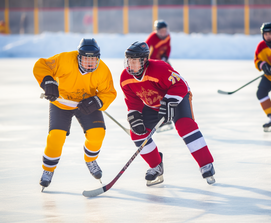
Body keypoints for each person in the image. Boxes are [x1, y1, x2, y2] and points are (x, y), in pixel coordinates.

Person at [120, 41, 215, 186]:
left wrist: (170, 101)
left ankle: (206, 164)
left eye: (135, 61)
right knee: (137, 132)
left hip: (178, 98)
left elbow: (181, 84)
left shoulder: (159, 68)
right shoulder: (125, 78)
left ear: (144, 60)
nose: (131, 65)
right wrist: (134, 114)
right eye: (129, 61)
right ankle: (156, 166)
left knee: (185, 125)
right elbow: (133, 101)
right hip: (152, 105)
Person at [33, 38, 117, 191]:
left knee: (98, 134)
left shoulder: (103, 70)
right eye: (86, 59)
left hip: (87, 105)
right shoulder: (65, 59)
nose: (90, 63)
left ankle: (90, 160)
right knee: (56, 138)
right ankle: (48, 169)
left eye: (93, 59)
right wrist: (48, 82)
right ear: (78, 57)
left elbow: (109, 92)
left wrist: (97, 101)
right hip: (61, 103)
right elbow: (41, 65)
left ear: (98, 58)